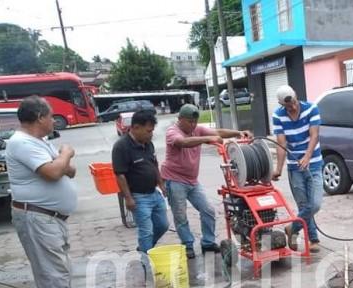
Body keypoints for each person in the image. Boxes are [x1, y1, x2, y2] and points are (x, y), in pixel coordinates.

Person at [6, 96, 97, 288]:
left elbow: (70, 171)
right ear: (39, 117)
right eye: (50, 115)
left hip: (50, 216)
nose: (53, 120)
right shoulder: (22, 143)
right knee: (50, 270)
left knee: (60, 266)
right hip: (36, 216)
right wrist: (65, 153)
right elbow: (54, 172)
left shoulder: (39, 141)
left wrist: (62, 160)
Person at [160, 103, 251, 259]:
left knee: (208, 210)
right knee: (180, 215)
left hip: (192, 181)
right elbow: (182, 142)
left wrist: (238, 133)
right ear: (180, 119)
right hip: (174, 180)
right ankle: (187, 244)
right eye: (190, 121)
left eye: (195, 122)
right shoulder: (172, 131)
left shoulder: (197, 129)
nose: (193, 125)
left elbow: (218, 132)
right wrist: (207, 138)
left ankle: (208, 243)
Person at [271, 85, 323, 253]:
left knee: (314, 204)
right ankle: (313, 239)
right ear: (281, 105)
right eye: (287, 106)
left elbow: (314, 135)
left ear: (296, 96)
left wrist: (307, 156)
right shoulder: (278, 115)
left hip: (313, 162)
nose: (292, 107)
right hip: (294, 167)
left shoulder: (311, 109)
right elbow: (281, 143)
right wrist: (278, 168)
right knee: (303, 205)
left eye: (293, 102)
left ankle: (292, 228)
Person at [112, 110, 168, 257]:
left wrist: (161, 183)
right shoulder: (121, 146)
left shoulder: (148, 144)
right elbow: (120, 175)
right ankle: (146, 260)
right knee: (146, 231)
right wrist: (128, 198)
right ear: (136, 127)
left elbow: (154, 164)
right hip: (138, 197)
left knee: (163, 225)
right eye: (148, 131)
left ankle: (145, 249)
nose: (151, 134)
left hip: (153, 193)